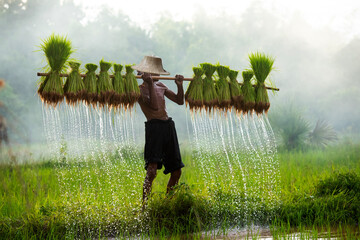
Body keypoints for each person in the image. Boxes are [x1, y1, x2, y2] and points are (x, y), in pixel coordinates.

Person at [132, 56, 185, 204]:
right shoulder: (140, 90)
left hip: (167, 126)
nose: (156, 75)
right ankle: (145, 206)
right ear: (143, 74)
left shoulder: (161, 85)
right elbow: (154, 107)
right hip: (154, 128)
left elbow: (180, 101)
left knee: (177, 171)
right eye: (152, 72)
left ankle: (167, 203)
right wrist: (149, 84)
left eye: (157, 72)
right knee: (152, 171)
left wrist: (179, 85)